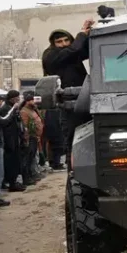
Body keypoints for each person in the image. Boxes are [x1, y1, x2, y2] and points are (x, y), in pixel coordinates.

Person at [42, 20, 93, 169]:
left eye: (66, 40)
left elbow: (86, 49)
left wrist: (90, 34)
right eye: (59, 42)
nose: (63, 44)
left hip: (86, 101)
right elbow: (73, 50)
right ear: (53, 44)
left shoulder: (72, 55)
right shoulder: (51, 56)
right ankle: (73, 173)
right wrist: (82, 33)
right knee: (73, 142)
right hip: (69, 106)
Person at [0, 91, 25, 192]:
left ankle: (13, 181)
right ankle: (11, 183)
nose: (18, 99)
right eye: (17, 97)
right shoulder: (6, 109)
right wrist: (14, 110)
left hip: (14, 137)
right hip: (9, 139)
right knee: (10, 162)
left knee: (15, 161)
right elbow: (6, 122)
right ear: (12, 98)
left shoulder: (12, 107)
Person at [20, 93, 43, 187]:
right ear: (27, 101)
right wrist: (27, 139)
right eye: (32, 100)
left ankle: (31, 176)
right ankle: (26, 178)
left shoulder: (32, 110)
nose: (34, 102)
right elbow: (25, 127)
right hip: (30, 138)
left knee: (32, 158)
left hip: (35, 137)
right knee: (27, 159)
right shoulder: (24, 111)